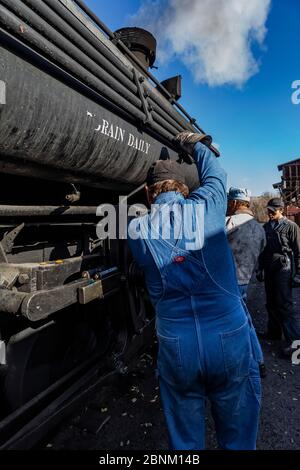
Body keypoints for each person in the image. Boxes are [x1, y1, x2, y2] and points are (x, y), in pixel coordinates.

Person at [128, 132, 263, 450]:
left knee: (186, 443)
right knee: (238, 435)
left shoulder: (137, 232)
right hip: (228, 337)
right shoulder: (209, 206)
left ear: (149, 195)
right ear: (184, 189)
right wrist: (194, 143)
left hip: (177, 346)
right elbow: (218, 174)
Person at [257, 197, 300, 356]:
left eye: (272, 211)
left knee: (284, 305)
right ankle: (274, 333)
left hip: (284, 267)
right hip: (269, 267)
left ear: (281, 210)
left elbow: (298, 252)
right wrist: (260, 269)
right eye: (268, 210)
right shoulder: (267, 226)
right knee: (271, 303)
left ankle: (295, 344)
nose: (269, 213)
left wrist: (298, 274)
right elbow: (263, 250)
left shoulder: (291, 227)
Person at [226, 187, 266, 301]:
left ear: (234, 203)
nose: (228, 206)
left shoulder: (229, 222)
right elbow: (262, 250)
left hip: (228, 280)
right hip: (246, 278)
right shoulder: (259, 227)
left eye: (229, 203)